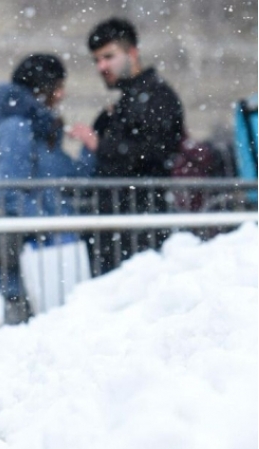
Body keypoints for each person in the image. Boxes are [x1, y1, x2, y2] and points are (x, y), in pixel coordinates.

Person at [68, 17, 184, 274]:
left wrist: (100, 144)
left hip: (139, 229)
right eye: (97, 60)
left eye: (109, 56)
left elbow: (157, 152)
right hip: (121, 227)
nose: (102, 66)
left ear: (132, 52)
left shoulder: (157, 96)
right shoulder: (128, 100)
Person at [0, 54, 93, 324]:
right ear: (44, 89)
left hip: (48, 253)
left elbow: (72, 177)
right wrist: (51, 222)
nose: (62, 94)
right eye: (58, 87)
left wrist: (91, 148)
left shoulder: (38, 131)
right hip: (33, 256)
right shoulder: (17, 128)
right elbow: (8, 192)